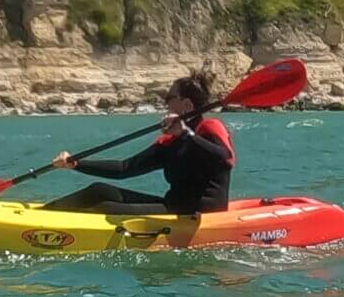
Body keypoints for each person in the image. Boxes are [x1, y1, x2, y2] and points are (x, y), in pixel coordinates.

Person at [42, 74, 235, 238]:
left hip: (199, 215)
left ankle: (54, 233)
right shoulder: (169, 142)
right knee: (100, 191)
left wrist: (186, 134)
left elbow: (225, 159)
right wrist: (77, 164)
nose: (165, 103)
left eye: (169, 98)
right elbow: (125, 168)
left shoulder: (209, 128)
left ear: (186, 104)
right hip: (173, 207)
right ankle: (41, 217)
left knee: (107, 208)